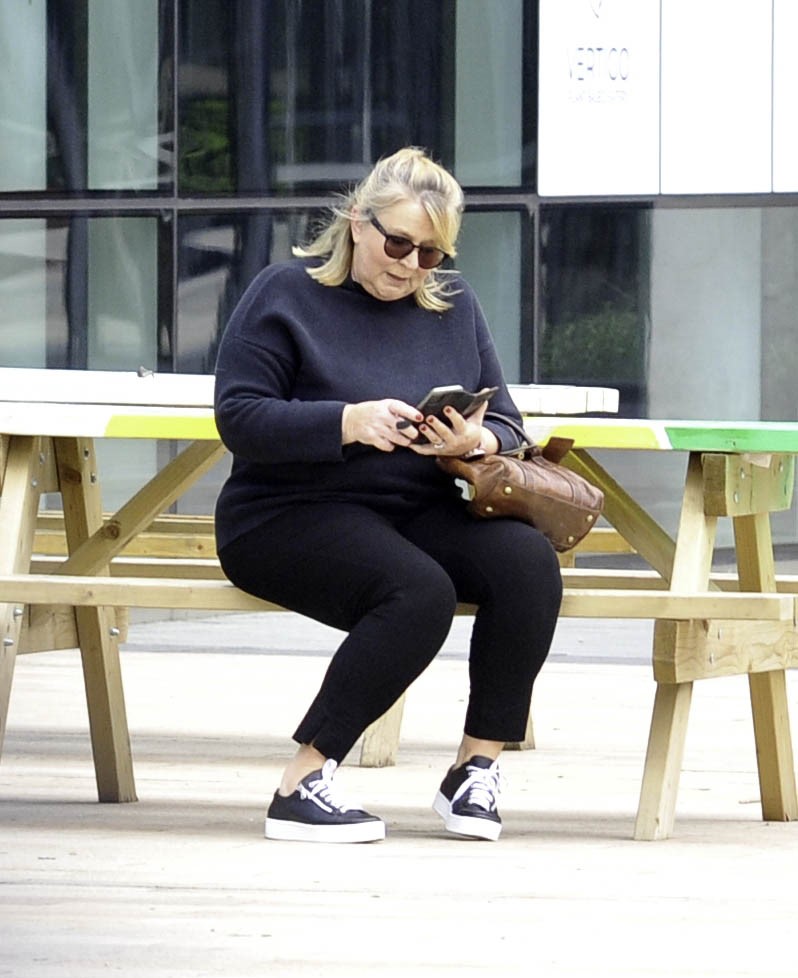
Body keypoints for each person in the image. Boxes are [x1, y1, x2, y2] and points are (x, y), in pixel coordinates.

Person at [214, 147, 563, 844]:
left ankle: (475, 771)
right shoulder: (285, 293)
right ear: (356, 221)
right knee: (418, 591)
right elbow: (239, 417)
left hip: (416, 508)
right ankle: (303, 781)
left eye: (431, 254)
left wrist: (476, 441)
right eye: (398, 242)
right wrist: (347, 421)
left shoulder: (453, 309)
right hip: (287, 513)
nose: (409, 264)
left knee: (526, 563)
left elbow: (508, 424)